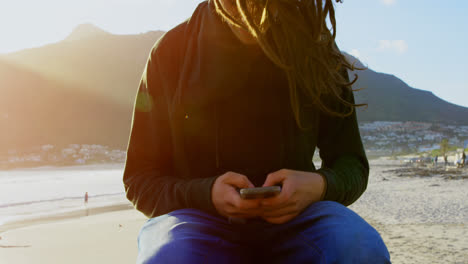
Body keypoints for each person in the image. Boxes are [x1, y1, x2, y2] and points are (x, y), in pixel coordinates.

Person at [123, 0, 391, 263]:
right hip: (196, 221)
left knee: (360, 248)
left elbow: (352, 163)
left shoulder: (315, 50)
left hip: (302, 220)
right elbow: (140, 179)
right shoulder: (171, 52)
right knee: (170, 257)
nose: (252, 17)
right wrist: (205, 194)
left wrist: (319, 186)